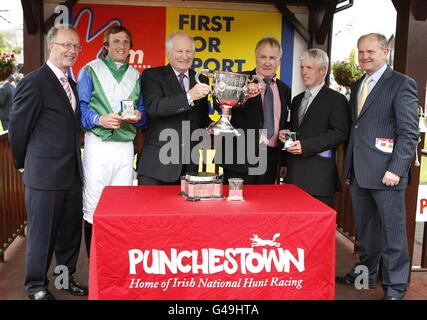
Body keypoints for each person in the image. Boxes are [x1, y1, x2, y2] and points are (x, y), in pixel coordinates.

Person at [337, 33, 419, 300]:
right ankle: (366, 275)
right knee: (367, 235)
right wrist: (349, 168)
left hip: (388, 175)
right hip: (360, 173)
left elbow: (409, 133)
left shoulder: (401, 84)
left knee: (393, 236)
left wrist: (396, 169)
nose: (364, 56)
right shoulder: (358, 85)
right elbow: (357, 129)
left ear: (385, 52)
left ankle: (396, 288)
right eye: (360, 52)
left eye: (370, 51)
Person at [8, 25, 87, 300]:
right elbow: (18, 128)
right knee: (41, 237)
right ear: (51, 46)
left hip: (72, 176)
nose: (71, 51)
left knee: (69, 237)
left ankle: (64, 280)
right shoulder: (34, 81)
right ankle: (36, 287)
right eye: (66, 45)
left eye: (76, 46)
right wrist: (22, 164)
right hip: (44, 176)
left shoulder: (72, 84)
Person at [77, 25, 147, 256]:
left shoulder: (136, 75)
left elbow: (143, 113)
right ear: (105, 46)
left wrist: (138, 117)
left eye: (126, 42)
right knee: (94, 204)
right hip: (98, 144)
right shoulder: (90, 69)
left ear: (130, 48)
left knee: (121, 204)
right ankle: (94, 264)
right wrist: (99, 119)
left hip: (125, 147)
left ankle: (115, 259)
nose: (121, 46)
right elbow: (81, 110)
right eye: (116, 41)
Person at [279, 49, 350, 207]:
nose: (304, 72)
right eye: (302, 68)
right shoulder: (297, 100)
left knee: (317, 230)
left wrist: (306, 146)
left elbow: (340, 133)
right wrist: (285, 132)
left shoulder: (336, 100)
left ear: (323, 70)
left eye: (309, 68)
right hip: (293, 178)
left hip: (319, 180)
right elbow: (297, 128)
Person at [137, 32, 210, 185]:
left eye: (188, 51)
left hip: (189, 168)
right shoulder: (152, 75)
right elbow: (155, 107)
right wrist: (189, 96)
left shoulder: (201, 79)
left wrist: (216, 127)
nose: (184, 56)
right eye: (179, 51)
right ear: (168, 53)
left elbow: (202, 119)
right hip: (157, 168)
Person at [217, 36, 291, 184]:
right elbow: (218, 103)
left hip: (270, 160)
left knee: (264, 205)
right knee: (235, 205)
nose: (267, 62)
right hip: (239, 158)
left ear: (279, 61)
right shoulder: (240, 79)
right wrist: (244, 96)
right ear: (256, 58)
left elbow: (284, 124)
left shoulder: (285, 90)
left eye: (272, 57)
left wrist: (283, 161)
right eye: (263, 57)